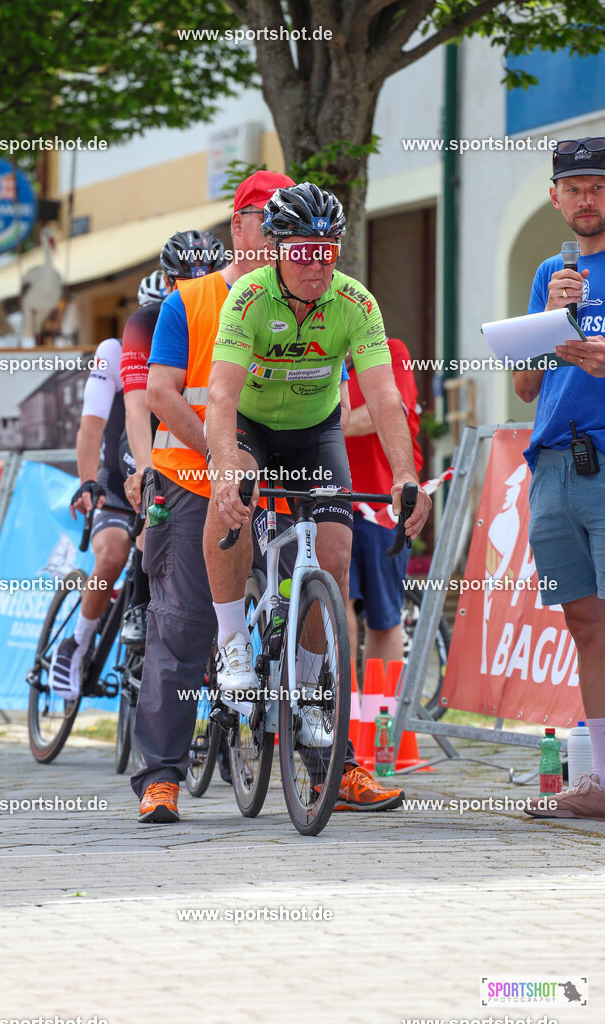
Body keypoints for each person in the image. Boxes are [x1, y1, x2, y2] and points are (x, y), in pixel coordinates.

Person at [203, 181, 431, 811]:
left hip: (314, 432)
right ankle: (232, 648)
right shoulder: (248, 299)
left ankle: (307, 699)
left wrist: (404, 476)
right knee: (234, 506)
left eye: (327, 251)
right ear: (275, 249)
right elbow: (220, 395)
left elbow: (385, 396)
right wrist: (225, 469)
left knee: (332, 551)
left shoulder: (356, 302)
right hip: (251, 428)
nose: (316, 264)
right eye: (303, 251)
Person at [131, 171, 296, 823]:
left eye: (291, 224)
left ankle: (328, 763)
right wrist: (223, 456)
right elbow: (161, 392)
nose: (281, 236)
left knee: (306, 610)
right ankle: (161, 776)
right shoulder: (191, 300)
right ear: (239, 225)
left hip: (275, 479)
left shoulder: (303, 300)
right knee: (183, 626)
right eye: (267, 220)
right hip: (193, 480)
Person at [512, 137, 605, 820]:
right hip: (552, 464)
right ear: (554, 197)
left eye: (597, 186)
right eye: (572, 188)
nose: (585, 200)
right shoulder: (551, 270)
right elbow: (519, 385)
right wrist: (550, 318)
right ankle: (597, 781)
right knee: (584, 623)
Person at [120, 234, 227, 645]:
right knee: (152, 513)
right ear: (168, 282)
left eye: (206, 278)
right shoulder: (147, 320)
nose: (195, 288)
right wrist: (145, 469)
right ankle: (137, 603)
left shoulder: (235, 308)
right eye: (185, 280)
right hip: (150, 436)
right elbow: (137, 406)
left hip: (209, 444)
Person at [48, 334, 134, 698]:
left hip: (165, 488)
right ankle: (77, 643)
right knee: (114, 553)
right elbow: (91, 426)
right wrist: (86, 482)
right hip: (114, 486)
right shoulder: (114, 351)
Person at [344, 340, 423, 681]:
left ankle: (380, 721)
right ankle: (340, 712)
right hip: (331, 501)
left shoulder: (392, 352)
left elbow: (387, 412)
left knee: (383, 616)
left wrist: (322, 426)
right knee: (335, 603)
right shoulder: (315, 358)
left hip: (382, 503)